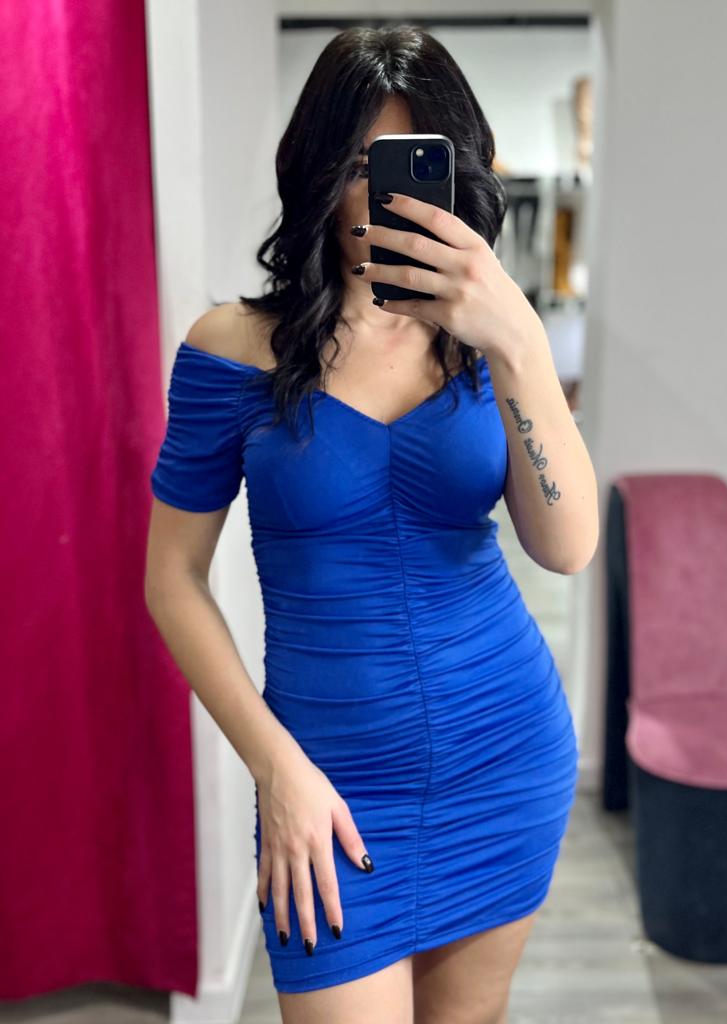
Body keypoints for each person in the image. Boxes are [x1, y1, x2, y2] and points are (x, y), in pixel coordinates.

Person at [145, 23, 598, 1024]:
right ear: (317, 172)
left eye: (407, 164)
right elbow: (171, 579)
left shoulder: (489, 347)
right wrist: (276, 768)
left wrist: (518, 338)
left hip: (504, 754)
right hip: (326, 781)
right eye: (358, 165)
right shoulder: (233, 350)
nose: (379, 198)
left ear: (459, 175)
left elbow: (566, 547)